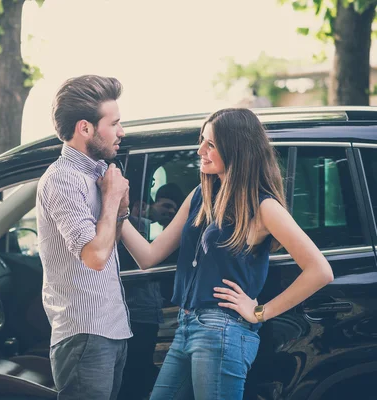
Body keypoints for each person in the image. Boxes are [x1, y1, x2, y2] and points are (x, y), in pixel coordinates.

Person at [120, 108, 334, 399]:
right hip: (186, 327)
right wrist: (115, 211)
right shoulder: (200, 195)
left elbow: (320, 271)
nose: (200, 151)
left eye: (210, 144)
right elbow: (148, 256)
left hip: (222, 331)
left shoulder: (263, 206)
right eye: (201, 141)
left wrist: (260, 312)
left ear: (236, 150)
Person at [36, 75, 132, 400]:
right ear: (85, 128)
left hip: (110, 328)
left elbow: (106, 246)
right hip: (85, 332)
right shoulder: (63, 179)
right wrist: (111, 199)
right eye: (114, 123)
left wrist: (119, 210)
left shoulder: (96, 174)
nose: (121, 132)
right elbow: (94, 257)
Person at [118, 183, 185, 400]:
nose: (169, 212)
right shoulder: (141, 225)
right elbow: (145, 257)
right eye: (165, 206)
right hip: (135, 312)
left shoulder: (168, 231)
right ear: (147, 205)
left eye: (175, 210)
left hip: (149, 312)